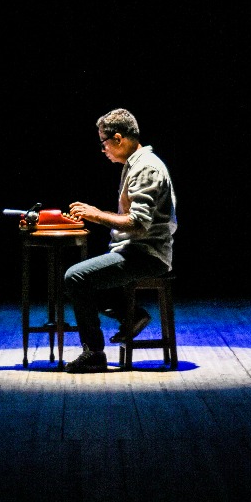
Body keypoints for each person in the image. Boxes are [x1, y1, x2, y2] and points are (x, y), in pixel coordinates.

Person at [63, 108, 177, 373]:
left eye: (103, 142)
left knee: (75, 277)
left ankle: (94, 353)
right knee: (84, 277)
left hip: (148, 255)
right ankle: (132, 315)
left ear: (118, 138)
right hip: (135, 250)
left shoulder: (146, 168)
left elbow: (138, 223)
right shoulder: (135, 165)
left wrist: (96, 215)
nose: (102, 149)